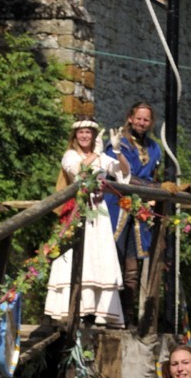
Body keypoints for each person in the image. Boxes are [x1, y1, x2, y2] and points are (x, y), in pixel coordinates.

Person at [43, 118, 129, 327]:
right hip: (77, 210)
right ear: (75, 136)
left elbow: (123, 173)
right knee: (75, 255)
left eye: (88, 133)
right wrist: (96, 154)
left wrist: (117, 151)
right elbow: (78, 172)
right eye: (80, 132)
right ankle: (73, 308)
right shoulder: (70, 155)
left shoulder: (101, 156)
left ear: (93, 135)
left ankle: (98, 311)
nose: (84, 136)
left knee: (97, 255)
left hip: (98, 212)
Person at [104, 102, 163, 323]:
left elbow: (153, 175)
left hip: (140, 211)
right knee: (113, 258)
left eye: (146, 119)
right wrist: (155, 189)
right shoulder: (119, 142)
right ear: (130, 117)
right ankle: (108, 313)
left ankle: (127, 316)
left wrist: (156, 190)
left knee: (132, 265)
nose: (142, 123)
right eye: (138, 118)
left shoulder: (154, 147)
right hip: (116, 205)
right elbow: (120, 175)